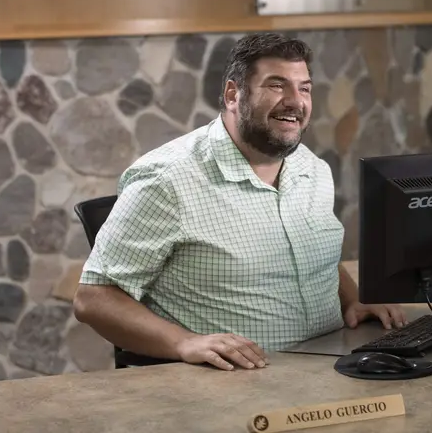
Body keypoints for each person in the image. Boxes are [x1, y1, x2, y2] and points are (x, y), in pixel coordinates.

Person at [73, 32, 406, 372]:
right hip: (234, 385)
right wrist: (183, 342)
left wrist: (354, 299)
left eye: (304, 88)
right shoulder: (167, 179)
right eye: (277, 86)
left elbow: (312, 251)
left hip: (332, 366)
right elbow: (94, 299)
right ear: (233, 94)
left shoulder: (311, 168)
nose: (296, 101)